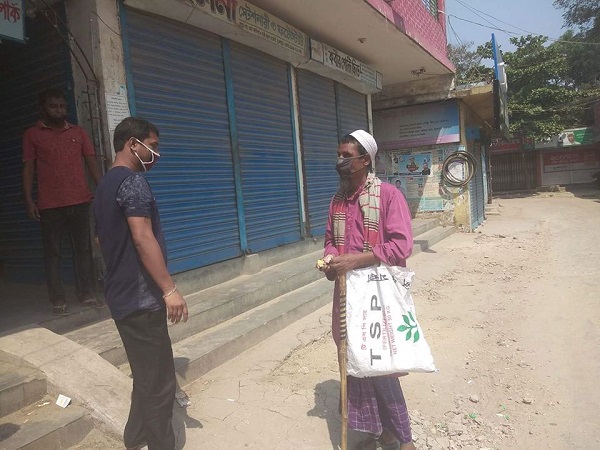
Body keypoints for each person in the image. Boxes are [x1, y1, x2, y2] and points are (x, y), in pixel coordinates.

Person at [94, 117, 188, 450]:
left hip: (120, 294)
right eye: (153, 146)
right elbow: (142, 237)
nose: (156, 154)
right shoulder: (133, 182)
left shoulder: (104, 185)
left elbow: (99, 240)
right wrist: (169, 290)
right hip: (141, 298)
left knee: (145, 373)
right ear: (133, 144)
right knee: (160, 381)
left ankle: (134, 437)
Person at [318, 130, 415, 450]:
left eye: (347, 156)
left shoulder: (388, 196)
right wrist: (331, 260)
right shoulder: (338, 201)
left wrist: (356, 260)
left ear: (365, 160)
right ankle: (377, 433)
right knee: (353, 360)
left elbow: (402, 245)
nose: (341, 161)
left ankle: (404, 439)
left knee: (379, 362)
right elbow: (331, 240)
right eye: (339, 155)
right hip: (347, 294)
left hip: (377, 295)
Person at [22, 88, 103, 315]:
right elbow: (28, 169)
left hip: (80, 201)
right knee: (53, 253)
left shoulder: (79, 133)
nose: (58, 110)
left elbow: (91, 162)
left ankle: (86, 293)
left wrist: (103, 189)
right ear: (42, 109)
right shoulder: (32, 135)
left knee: (83, 249)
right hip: (50, 206)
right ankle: (58, 300)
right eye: (53, 106)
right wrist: (29, 201)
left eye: (62, 106)